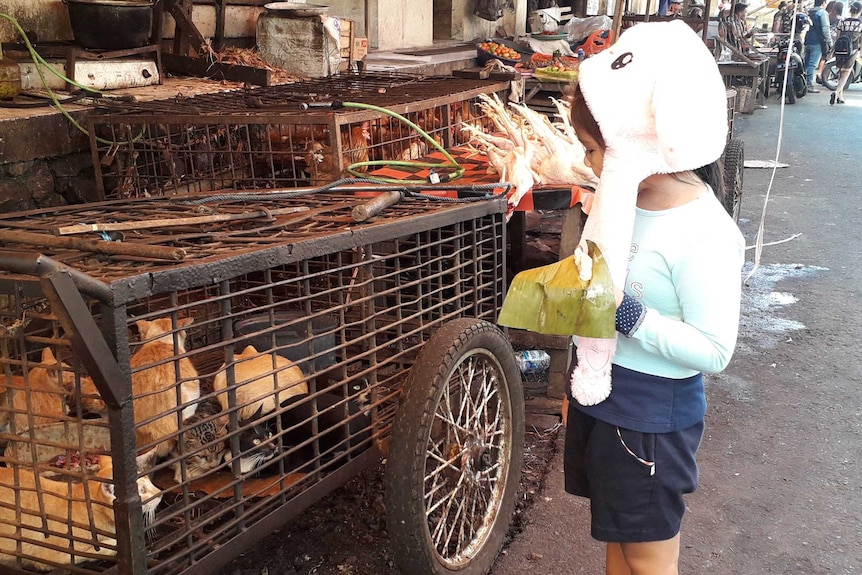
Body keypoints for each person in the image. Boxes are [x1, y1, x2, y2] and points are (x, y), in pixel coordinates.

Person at [563, 20, 745, 575]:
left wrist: (631, 317)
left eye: (594, 149)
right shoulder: (620, 206)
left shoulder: (704, 233)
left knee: (648, 554)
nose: (591, 164)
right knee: (619, 539)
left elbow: (715, 350)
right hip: (608, 397)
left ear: (642, 137)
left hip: (650, 420)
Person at [831, 0, 862, 103]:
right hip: (852, 50)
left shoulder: (843, 21)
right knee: (846, 73)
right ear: (860, 11)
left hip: (840, 49)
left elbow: (838, 36)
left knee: (841, 72)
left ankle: (840, 97)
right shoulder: (860, 24)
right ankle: (836, 92)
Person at [805, 0, 834, 92]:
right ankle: (809, 84)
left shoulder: (809, 12)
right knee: (812, 64)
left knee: (806, 63)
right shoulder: (822, 13)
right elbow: (825, 28)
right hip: (817, 41)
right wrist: (829, 42)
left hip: (808, 39)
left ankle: (801, 83)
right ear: (823, 2)